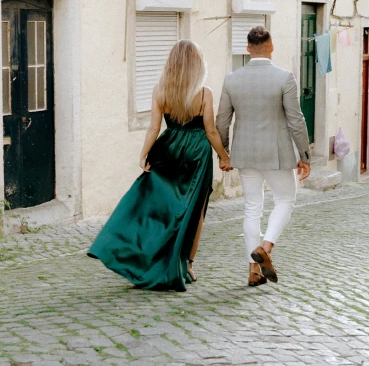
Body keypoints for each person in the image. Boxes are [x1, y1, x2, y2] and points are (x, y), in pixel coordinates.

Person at [88, 40, 231, 292]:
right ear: (197, 65)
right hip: (197, 152)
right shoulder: (204, 93)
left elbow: (154, 127)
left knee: (159, 208)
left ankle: (143, 259)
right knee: (194, 210)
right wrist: (223, 157)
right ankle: (187, 264)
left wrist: (144, 154)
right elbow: (210, 130)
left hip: (169, 148)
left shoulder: (160, 90)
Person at [216, 26, 312, 287]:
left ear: (247, 49)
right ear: (271, 46)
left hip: (244, 153)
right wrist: (305, 154)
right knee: (285, 199)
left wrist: (223, 154)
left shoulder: (231, 79)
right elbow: (295, 119)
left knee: (252, 208)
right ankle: (266, 246)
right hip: (278, 153)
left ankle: (253, 271)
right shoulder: (284, 77)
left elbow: (222, 119)